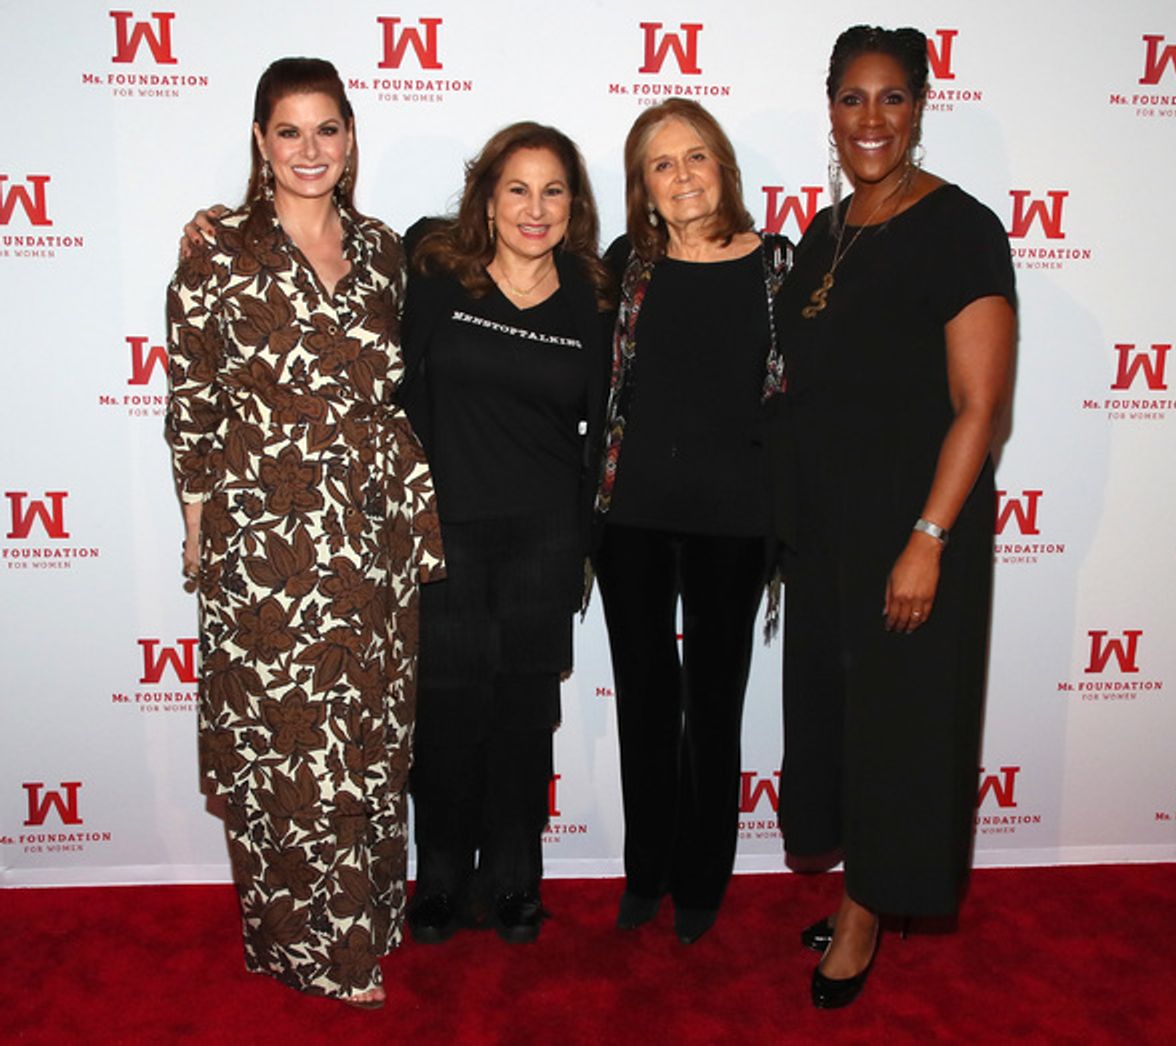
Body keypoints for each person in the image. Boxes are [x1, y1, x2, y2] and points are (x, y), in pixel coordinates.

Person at [166, 57, 444, 1008]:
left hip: (370, 531)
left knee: (366, 736)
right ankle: (306, 948)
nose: (309, 149)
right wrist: (202, 526)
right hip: (265, 538)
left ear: (351, 137)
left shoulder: (383, 252)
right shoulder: (217, 249)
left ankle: (363, 922)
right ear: (259, 141)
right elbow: (193, 399)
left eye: (327, 129)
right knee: (285, 748)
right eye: (289, 131)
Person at [769, 26, 1017, 1008]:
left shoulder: (962, 229)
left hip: (914, 529)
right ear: (830, 108)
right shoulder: (829, 232)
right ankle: (860, 880)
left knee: (899, 726)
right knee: (842, 720)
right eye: (853, 99)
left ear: (921, 107)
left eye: (892, 99)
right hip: (829, 533)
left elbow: (980, 407)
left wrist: (927, 539)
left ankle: (870, 909)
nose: (871, 119)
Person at [396, 123, 611, 944]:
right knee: (445, 720)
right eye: (517, 188)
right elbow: (328, 243)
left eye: (553, 189)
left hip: (545, 537)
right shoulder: (433, 270)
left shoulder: (594, 296)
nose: (535, 207)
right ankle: (443, 878)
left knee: (524, 719)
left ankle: (517, 880)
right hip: (445, 533)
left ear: (573, 205)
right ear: (487, 196)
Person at [594, 98, 792, 944]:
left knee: (716, 700)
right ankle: (647, 872)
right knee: (643, 699)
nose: (682, 176)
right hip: (629, 518)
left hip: (735, 522)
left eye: (697, 157)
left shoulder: (780, 264)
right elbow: (497, 261)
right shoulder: (621, 267)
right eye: (662, 164)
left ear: (724, 169)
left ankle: (704, 878)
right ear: (643, 186)